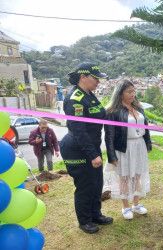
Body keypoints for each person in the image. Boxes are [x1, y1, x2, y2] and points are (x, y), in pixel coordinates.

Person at [59, 62, 113, 234]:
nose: (98, 82)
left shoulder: (89, 94)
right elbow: (79, 131)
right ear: (83, 76)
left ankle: (95, 214)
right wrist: (92, 155)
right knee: (86, 185)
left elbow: (99, 114)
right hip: (78, 147)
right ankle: (84, 221)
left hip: (92, 145)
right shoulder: (75, 99)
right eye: (95, 78)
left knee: (97, 183)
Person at [104, 80, 152, 220]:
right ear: (120, 94)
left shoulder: (139, 108)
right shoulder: (113, 112)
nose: (133, 94)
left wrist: (148, 144)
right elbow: (109, 136)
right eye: (129, 92)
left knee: (137, 175)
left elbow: (146, 127)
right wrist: (112, 155)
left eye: (133, 91)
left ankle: (136, 204)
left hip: (139, 146)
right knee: (124, 176)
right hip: (124, 147)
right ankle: (125, 206)